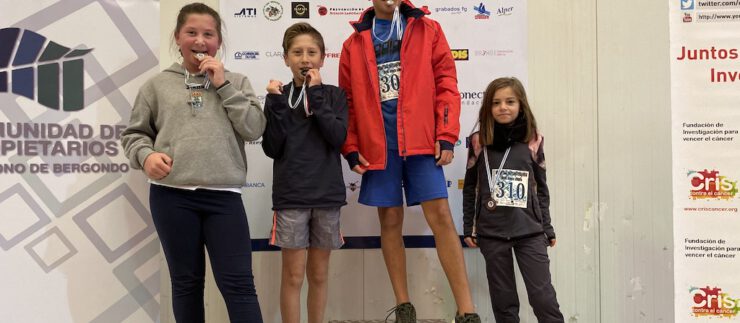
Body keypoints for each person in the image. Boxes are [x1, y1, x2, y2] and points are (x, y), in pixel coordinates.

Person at [120, 3, 264, 322]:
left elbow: (254, 128)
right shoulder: (156, 86)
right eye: (192, 33)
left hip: (224, 198)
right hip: (171, 197)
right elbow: (134, 134)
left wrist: (223, 85)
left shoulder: (237, 82)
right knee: (186, 284)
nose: (200, 41)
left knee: (239, 284)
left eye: (208, 34)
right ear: (178, 37)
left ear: (219, 42)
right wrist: (146, 156)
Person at [338, 0, 480, 321]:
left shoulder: (428, 29)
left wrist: (445, 133)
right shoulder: (354, 42)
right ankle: (404, 306)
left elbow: (446, 82)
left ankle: (467, 310)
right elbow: (346, 101)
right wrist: (351, 145)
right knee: (389, 221)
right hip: (380, 146)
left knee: (441, 218)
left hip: (421, 142)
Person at [261, 22, 348, 323]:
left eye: (312, 52)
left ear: (323, 58)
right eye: (297, 52)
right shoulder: (278, 95)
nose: (305, 58)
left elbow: (337, 137)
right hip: (291, 196)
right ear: (286, 58)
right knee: (294, 275)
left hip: (327, 195)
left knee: (320, 274)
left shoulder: (335, 95)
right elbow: (273, 147)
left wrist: (317, 94)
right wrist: (275, 104)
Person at [463, 77, 564, 323]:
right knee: (503, 301)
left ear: (521, 105)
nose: (503, 107)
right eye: (496, 103)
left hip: (529, 232)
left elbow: (541, 187)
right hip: (492, 233)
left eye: (509, 101)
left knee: (543, 298)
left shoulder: (533, 139)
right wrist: (469, 227)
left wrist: (547, 227)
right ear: (488, 107)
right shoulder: (478, 142)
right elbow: (470, 187)